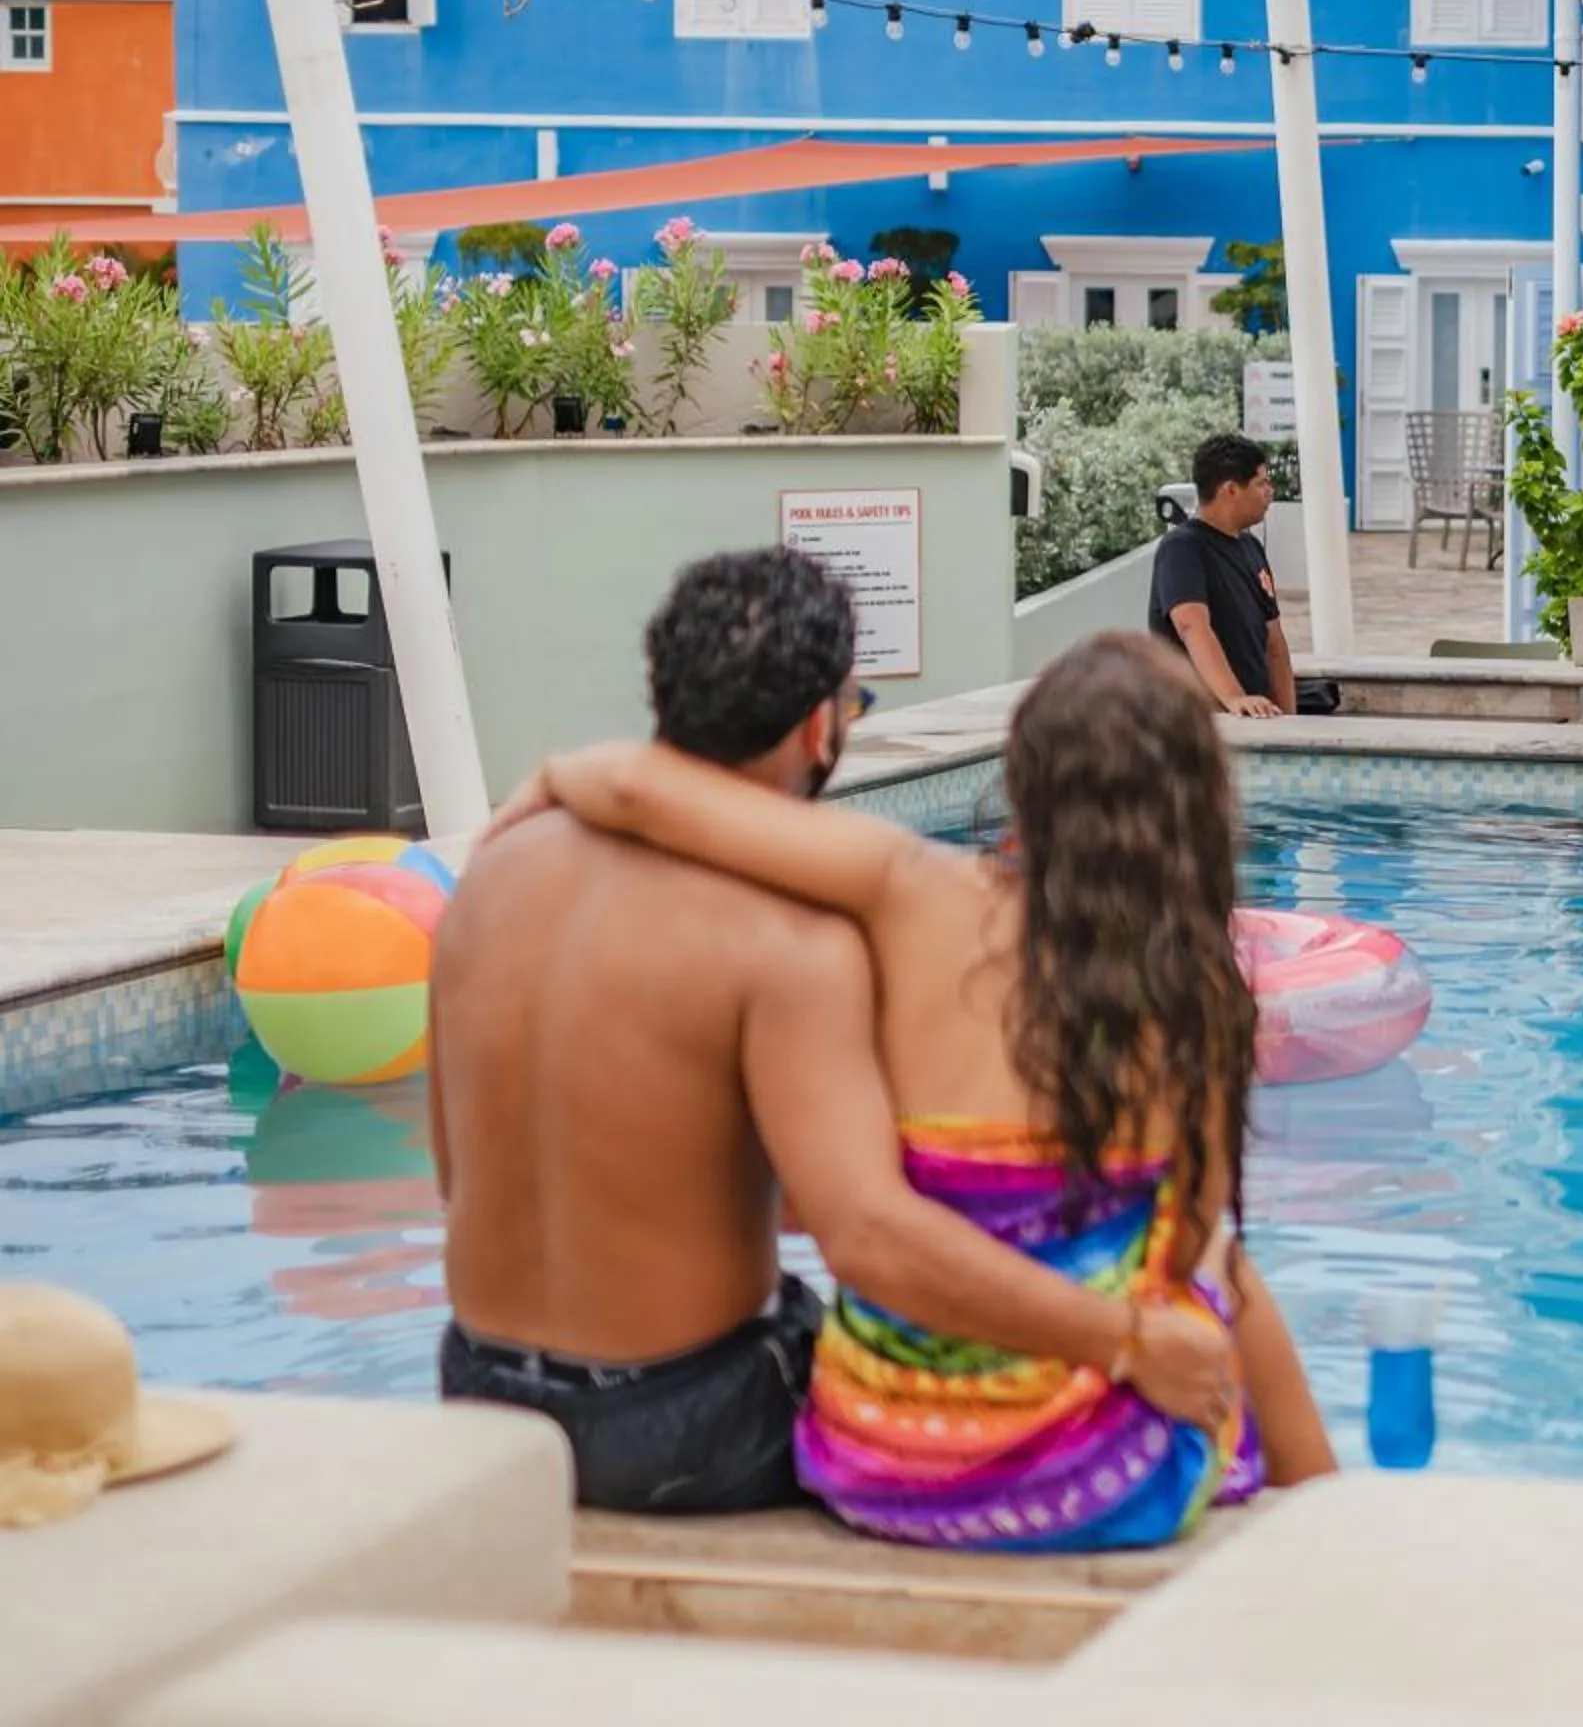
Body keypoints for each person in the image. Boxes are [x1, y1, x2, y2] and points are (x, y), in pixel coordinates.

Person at [491, 631, 1338, 1550]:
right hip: (1095, 1482)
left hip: (880, 1463)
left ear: (1022, 780)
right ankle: (1335, 1514)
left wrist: (554, 778)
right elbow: (1182, 1250)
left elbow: (636, 792)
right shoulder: (1200, 992)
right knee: (1221, 1272)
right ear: (1199, 804)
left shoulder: (909, 888)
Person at [1152, 432, 1295, 719]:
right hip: (1197, 721)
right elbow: (1191, 626)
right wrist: (1234, 698)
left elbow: (1274, 643)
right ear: (1231, 489)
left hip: (1258, 716)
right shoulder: (1182, 548)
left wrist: (1291, 720)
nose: (1270, 491)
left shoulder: (1251, 548)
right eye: (1261, 483)